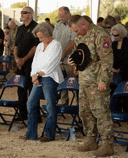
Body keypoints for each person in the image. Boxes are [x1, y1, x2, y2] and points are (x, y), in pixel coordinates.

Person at [68, 15, 114, 157]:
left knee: (100, 112)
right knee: (85, 112)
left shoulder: (100, 35)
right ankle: (90, 139)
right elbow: (79, 55)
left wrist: (103, 81)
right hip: (84, 81)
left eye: (76, 30)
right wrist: (74, 63)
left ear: (83, 25)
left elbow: (107, 60)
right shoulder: (80, 37)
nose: (76, 33)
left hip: (97, 82)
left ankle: (107, 144)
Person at [19, 22, 64, 142]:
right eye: (39, 37)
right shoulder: (39, 46)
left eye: (42, 37)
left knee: (50, 105)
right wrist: (34, 74)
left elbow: (51, 64)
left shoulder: (56, 45)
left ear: (48, 34)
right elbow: (35, 62)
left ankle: (49, 134)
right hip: (38, 77)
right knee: (31, 103)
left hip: (50, 77)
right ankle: (31, 133)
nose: (40, 39)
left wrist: (38, 74)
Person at [14, 6, 39, 120]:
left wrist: (24, 59)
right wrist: (17, 59)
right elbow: (16, 45)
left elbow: (35, 46)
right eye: (21, 12)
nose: (22, 14)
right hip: (20, 63)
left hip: (31, 63)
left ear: (30, 14)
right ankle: (22, 113)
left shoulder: (36, 27)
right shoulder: (20, 28)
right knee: (21, 88)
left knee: (32, 88)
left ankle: (34, 115)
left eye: (24, 12)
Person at [53, 6, 76, 106]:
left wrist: (63, 55)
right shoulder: (58, 25)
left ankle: (79, 108)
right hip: (59, 61)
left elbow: (72, 42)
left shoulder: (73, 24)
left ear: (68, 14)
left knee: (74, 85)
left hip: (70, 61)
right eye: (60, 16)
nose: (61, 18)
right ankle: (64, 104)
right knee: (61, 85)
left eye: (62, 16)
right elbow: (54, 41)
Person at [111, 24, 128, 112]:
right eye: (113, 35)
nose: (114, 37)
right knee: (114, 91)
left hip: (125, 72)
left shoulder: (127, 43)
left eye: (116, 35)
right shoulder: (113, 44)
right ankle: (115, 110)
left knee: (125, 92)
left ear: (121, 34)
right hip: (115, 72)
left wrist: (120, 69)